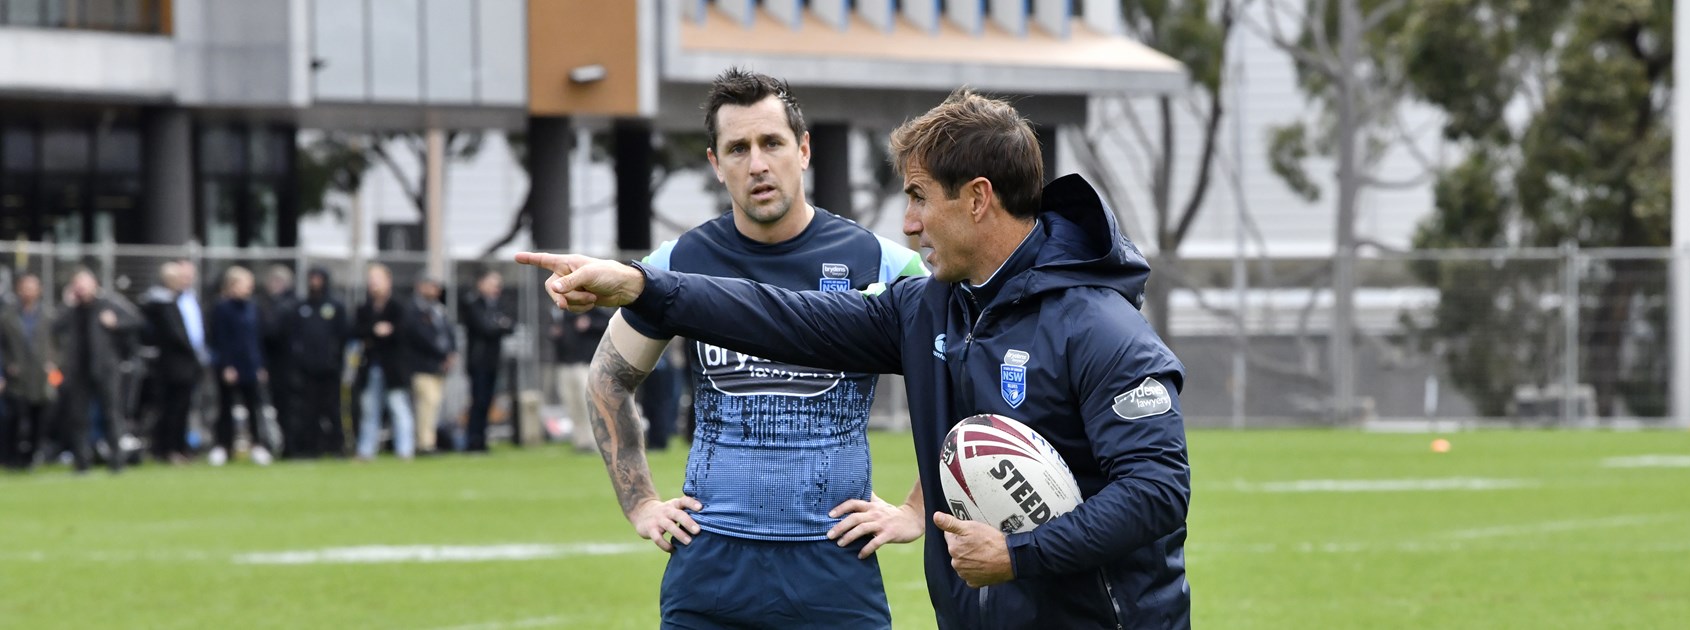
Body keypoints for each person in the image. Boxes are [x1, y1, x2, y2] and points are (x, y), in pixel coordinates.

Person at [519, 89, 1191, 629]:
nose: (908, 223)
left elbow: (1157, 489)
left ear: (978, 198)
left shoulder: (1100, 327)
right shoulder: (930, 309)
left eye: (919, 196)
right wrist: (642, 287)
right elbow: (784, 318)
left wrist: (1019, 552)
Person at [562, 69, 930, 628]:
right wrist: (641, 503)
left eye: (772, 143)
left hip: (834, 569)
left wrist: (915, 510)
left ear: (803, 150)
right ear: (715, 163)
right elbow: (608, 378)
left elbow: (958, 379)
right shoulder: (678, 264)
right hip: (710, 570)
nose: (757, 164)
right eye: (738, 149)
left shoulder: (883, 263)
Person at [53, 269, 141, 474]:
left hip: (105, 369)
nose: (82, 289)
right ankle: (82, 462)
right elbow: (54, 326)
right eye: (78, 285)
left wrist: (116, 323)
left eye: (85, 284)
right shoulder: (72, 310)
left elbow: (137, 320)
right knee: (79, 417)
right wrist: (67, 304)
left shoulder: (108, 304)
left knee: (111, 414)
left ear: (95, 285)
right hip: (78, 370)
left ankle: (117, 461)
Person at [139, 260, 208, 464]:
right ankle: (168, 449)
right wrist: (192, 352)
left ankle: (179, 446)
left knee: (183, 407)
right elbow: (175, 334)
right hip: (174, 365)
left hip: (186, 363)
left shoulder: (181, 301)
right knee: (172, 408)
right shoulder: (161, 304)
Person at [207, 266, 271, 466]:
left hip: (250, 364)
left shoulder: (253, 307)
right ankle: (222, 446)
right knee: (226, 406)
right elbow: (220, 339)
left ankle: (257, 445)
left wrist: (260, 365)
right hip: (230, 366)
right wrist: (226, 365)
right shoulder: (221, 308)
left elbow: (257, 339)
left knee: (254, 406)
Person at [352, 264, 414, 461]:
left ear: (388, 281)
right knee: (369, 410)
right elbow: (357, 331)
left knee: (398, 407)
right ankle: (365, 451)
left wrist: (386, 332)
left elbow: (404, 333)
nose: (374, 284)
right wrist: (375, 331)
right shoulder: (365, 308)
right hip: (371, 366)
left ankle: (405, 450)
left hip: (393, 368)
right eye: (371, 280)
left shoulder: (398, 307)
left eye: (377, 280)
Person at [289, 267, 348, 458]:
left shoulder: (335, 306)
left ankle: (337, 446)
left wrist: (335, 359)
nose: (314, 282)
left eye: (318, 278)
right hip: (307, 369)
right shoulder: (302, 307)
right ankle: (311, 447)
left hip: (330, 369)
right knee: (309, 410)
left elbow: (343, 335)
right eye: (311, 278)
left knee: (333, 409)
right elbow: (295, 336)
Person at [0, 272, 55, 471]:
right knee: (13, 417)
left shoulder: (48, 315)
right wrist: (5, 368)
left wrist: (54, 363)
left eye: (32, 287)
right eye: (25, 287)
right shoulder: (7, 317)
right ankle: (11, 458)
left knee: (39, 417)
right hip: (16, 377)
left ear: (39, 290)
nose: (29, 291)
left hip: (40, 377)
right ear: (18, 289)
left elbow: (58, 344)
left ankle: (32, 456)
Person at [458, 269, 514, 453]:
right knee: (478, 401)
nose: (496, 288)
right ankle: (472, 440)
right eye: (492, 284)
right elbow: (485, 328)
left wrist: (498, 325)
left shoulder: (498, 304)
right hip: (478, 361)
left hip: (493, 361)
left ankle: (481, 439)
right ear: (481, 284)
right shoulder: (472, 303)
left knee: (488, 401)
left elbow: (510, 325)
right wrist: (499, 324)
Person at [406, 273, 457, 454]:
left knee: (434, 405)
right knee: (426, 404)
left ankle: (429, 441)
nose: (434, 290)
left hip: (438, 366)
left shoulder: (438, 309)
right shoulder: (414, 310)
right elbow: (420, 337)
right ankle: (424, 444)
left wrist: (451, 353)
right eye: (431, 286)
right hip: (422, 365)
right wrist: (442, 353)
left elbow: (449, 333)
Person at [549, 306, 610, 452]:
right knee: (572, 404)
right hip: (565, 364)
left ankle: (595, 441)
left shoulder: (590, 307)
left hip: (584, 364)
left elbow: (609, 323)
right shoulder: (562, 312)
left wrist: (590, 324)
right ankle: (581, 441)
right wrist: (555, 334)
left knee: (588, 404)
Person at [257, 264, 298, 448]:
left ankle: (289, 445)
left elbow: (271, 333)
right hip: (281, 364)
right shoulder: (277, 304)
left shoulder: (281, 307)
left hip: (283, 365)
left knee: (285, 406)